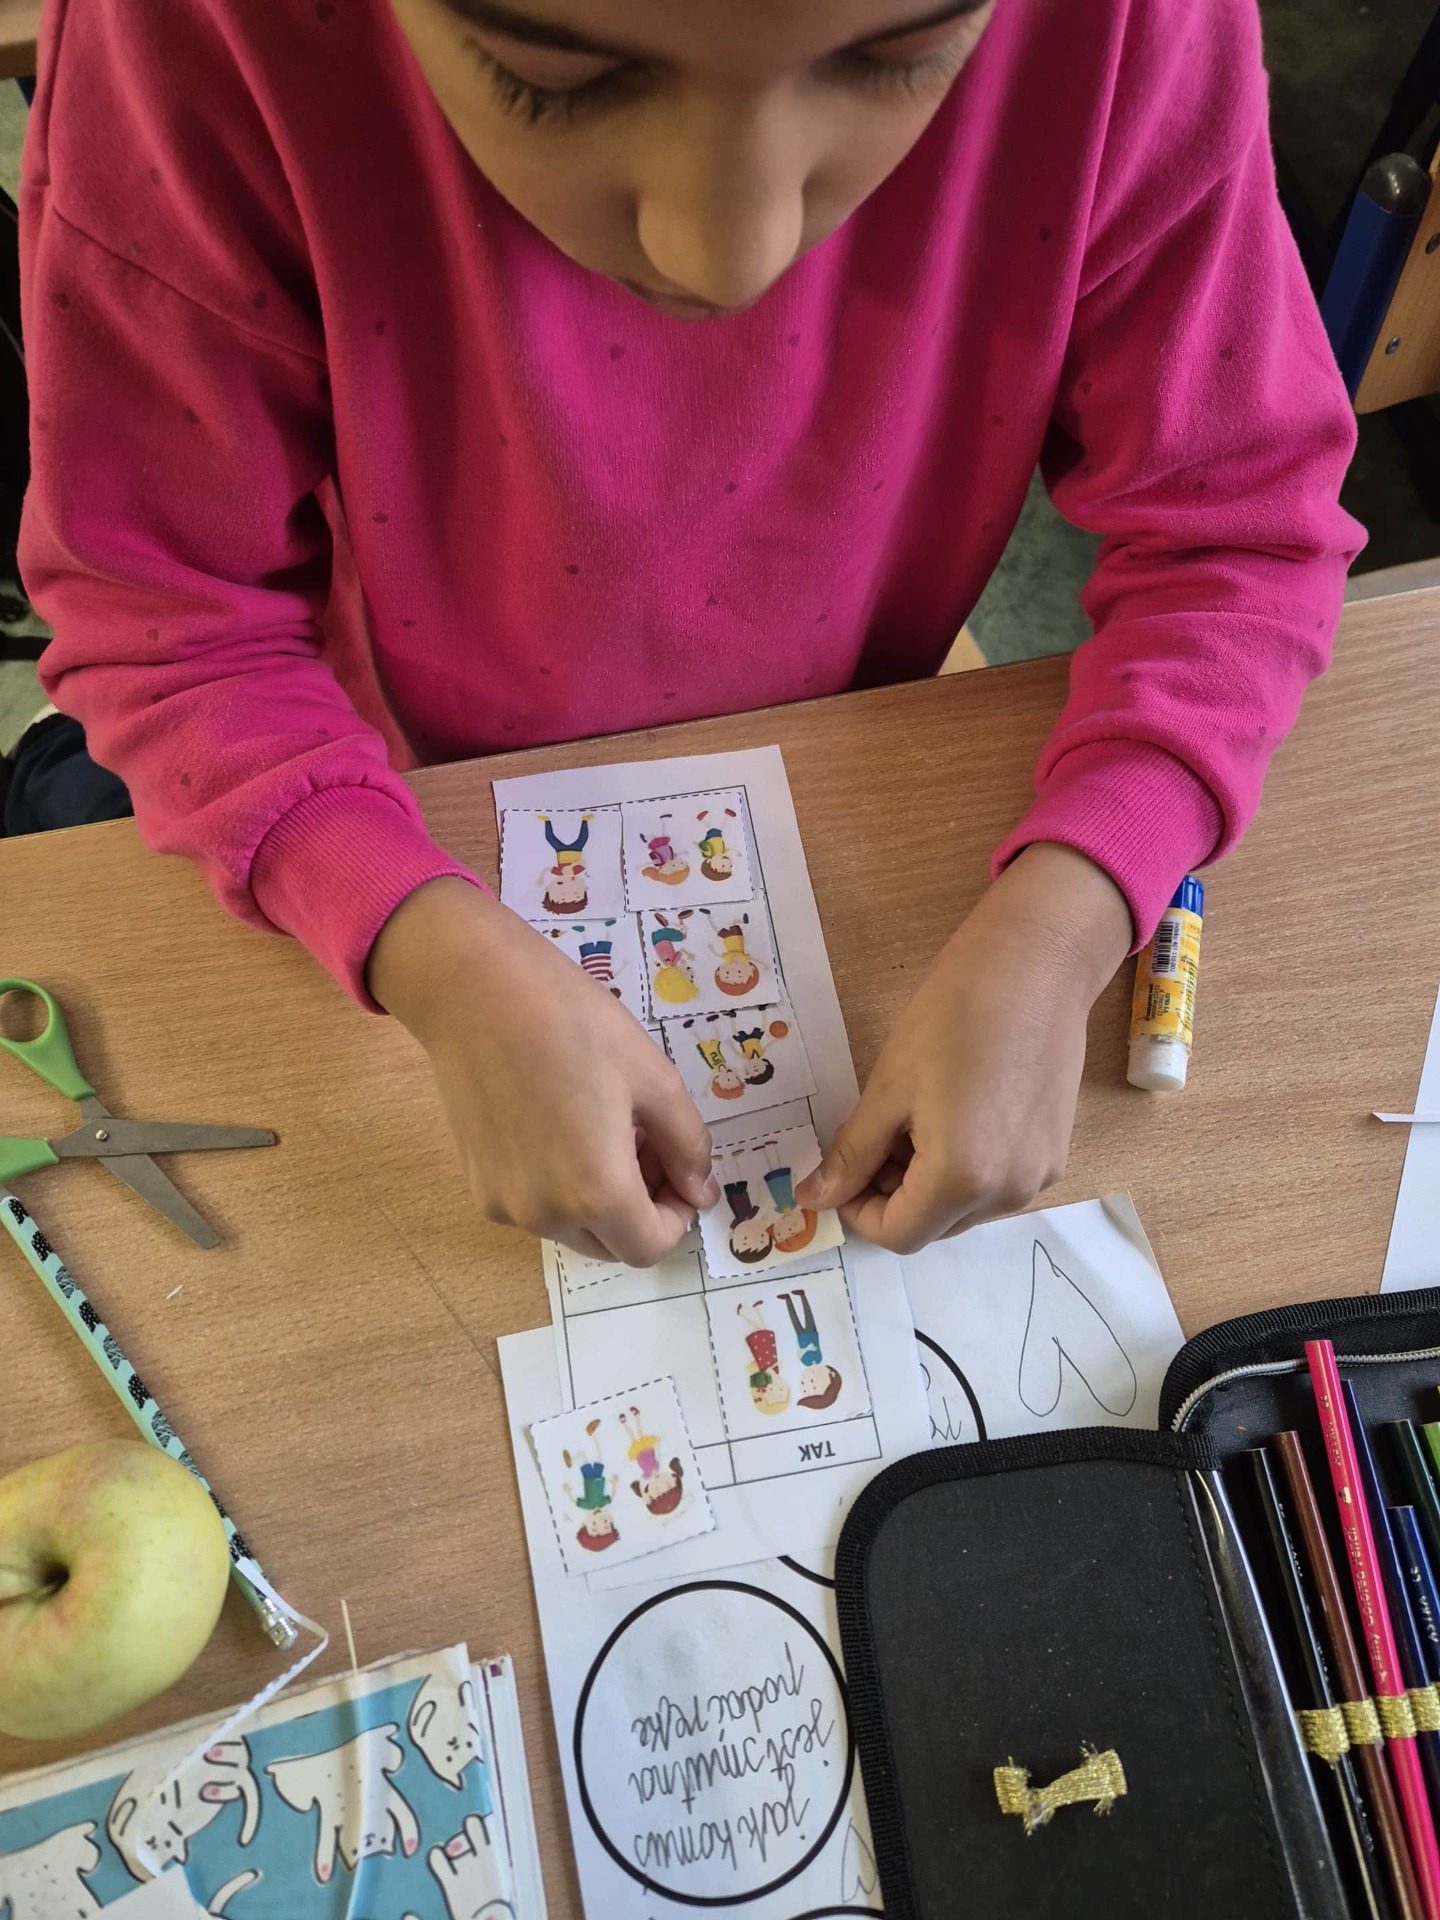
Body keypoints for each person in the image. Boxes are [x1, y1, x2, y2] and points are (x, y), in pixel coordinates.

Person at [17, 0, 1362, 1268]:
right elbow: (164, 614)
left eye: (896, 53)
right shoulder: (190, 37)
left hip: (848, 766)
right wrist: (421, 951)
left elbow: (1238, 527)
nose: (733, 253)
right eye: (556, 75)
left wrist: (1072, 917)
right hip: (399, 767)